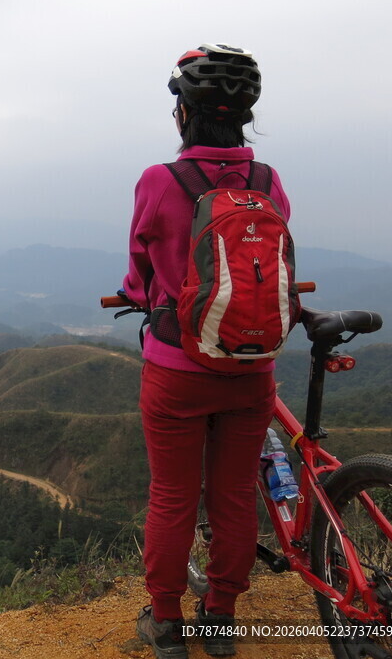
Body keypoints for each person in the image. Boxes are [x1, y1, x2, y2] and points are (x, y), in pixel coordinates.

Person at [121, 43, 290, 659]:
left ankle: (166, 625)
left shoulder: (159, 181)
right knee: (235, 496)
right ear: (244, 116)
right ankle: (220, 622)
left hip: (176, 371)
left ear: (183, 114)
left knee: (172, 496)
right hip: (251, 368)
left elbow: (141, 270)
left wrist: (137, 293)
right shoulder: (268, 182)